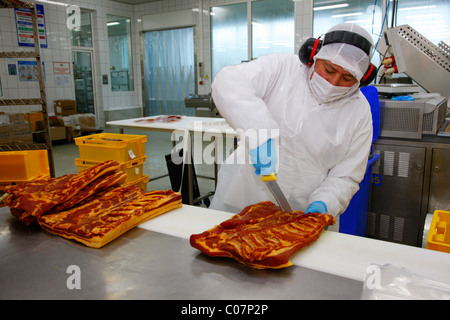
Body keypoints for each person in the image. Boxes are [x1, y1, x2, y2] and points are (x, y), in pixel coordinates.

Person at [210, 23, 376, 231]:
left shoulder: (359, 112)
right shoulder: (282, 69)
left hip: (301, 213)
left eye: (347, 78)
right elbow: (229, 82)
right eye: (329, 69)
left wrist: (325, 203)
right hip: (242, 197)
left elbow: (347, 175)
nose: (333, 82)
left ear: (362, 79)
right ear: (313, 55)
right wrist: (261, 135)